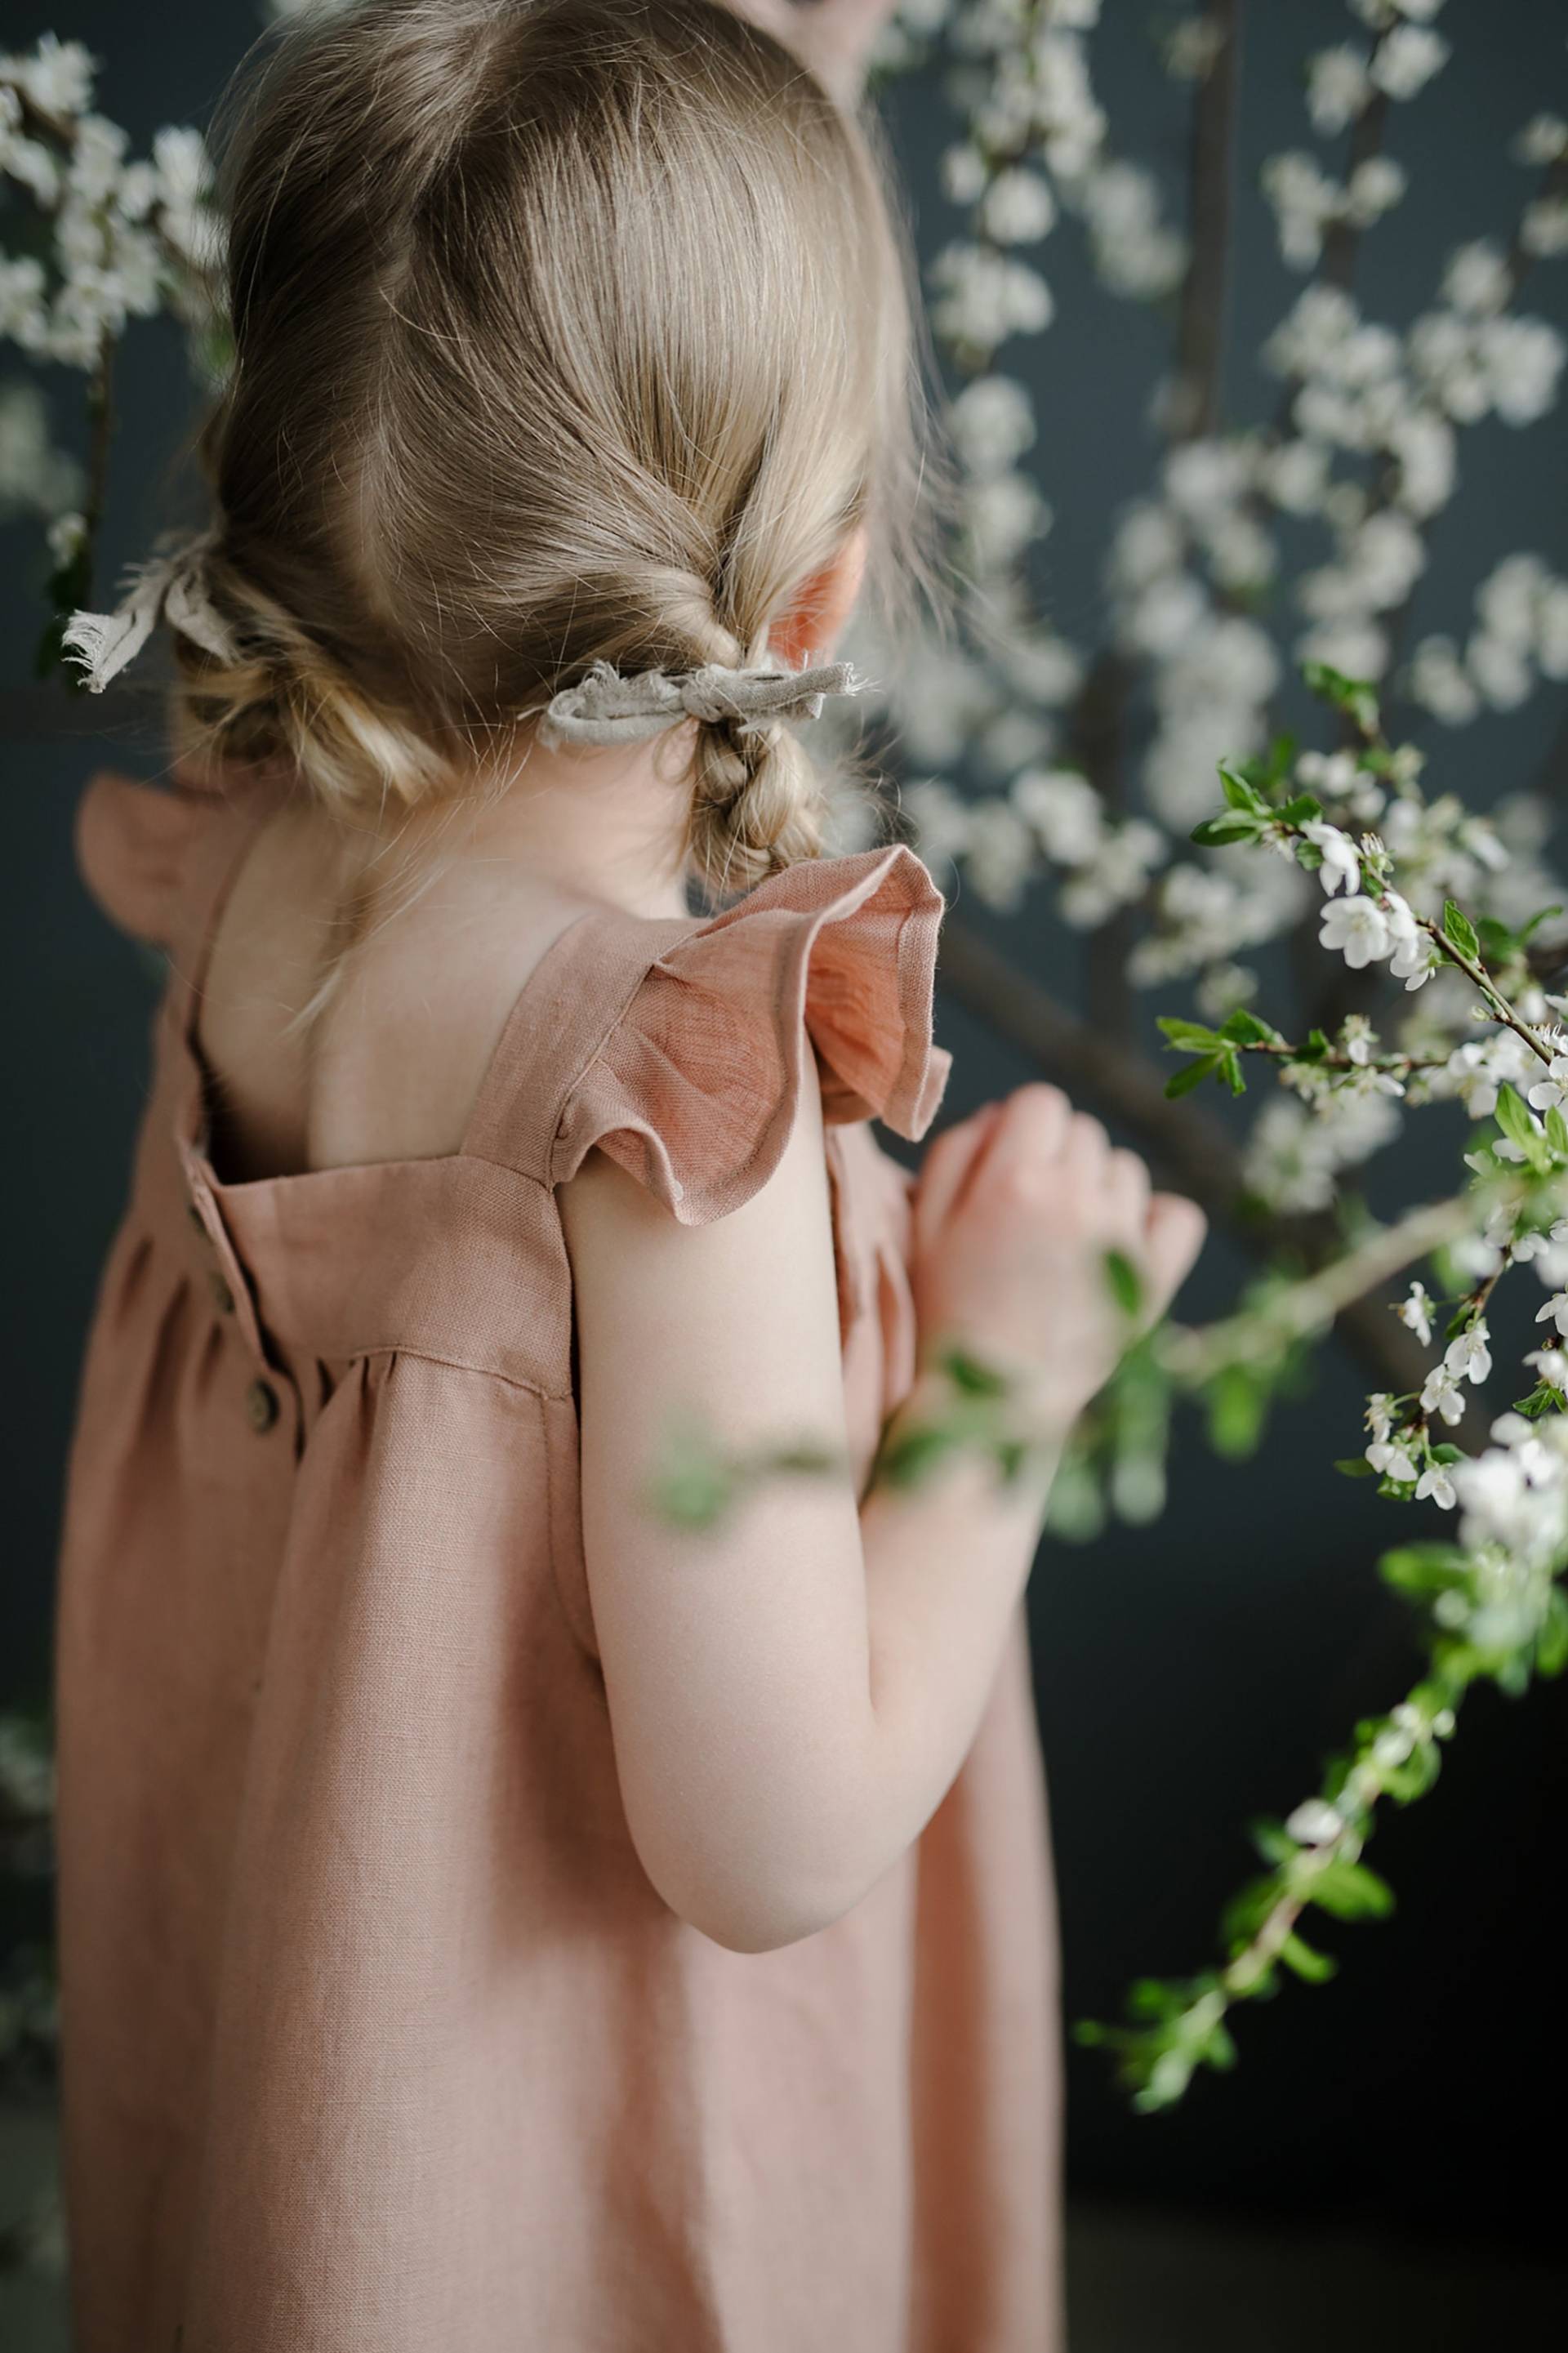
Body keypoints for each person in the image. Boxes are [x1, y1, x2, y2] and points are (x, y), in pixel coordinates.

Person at [52, 3, 1206, 2347]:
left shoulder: (253, 846)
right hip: (586, 2164)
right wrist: (1009, 1381)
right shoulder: (667, 1101)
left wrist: (784, 76)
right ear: (808, 615)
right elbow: (766, 1834)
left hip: (324, 2072)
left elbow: (512, 311)